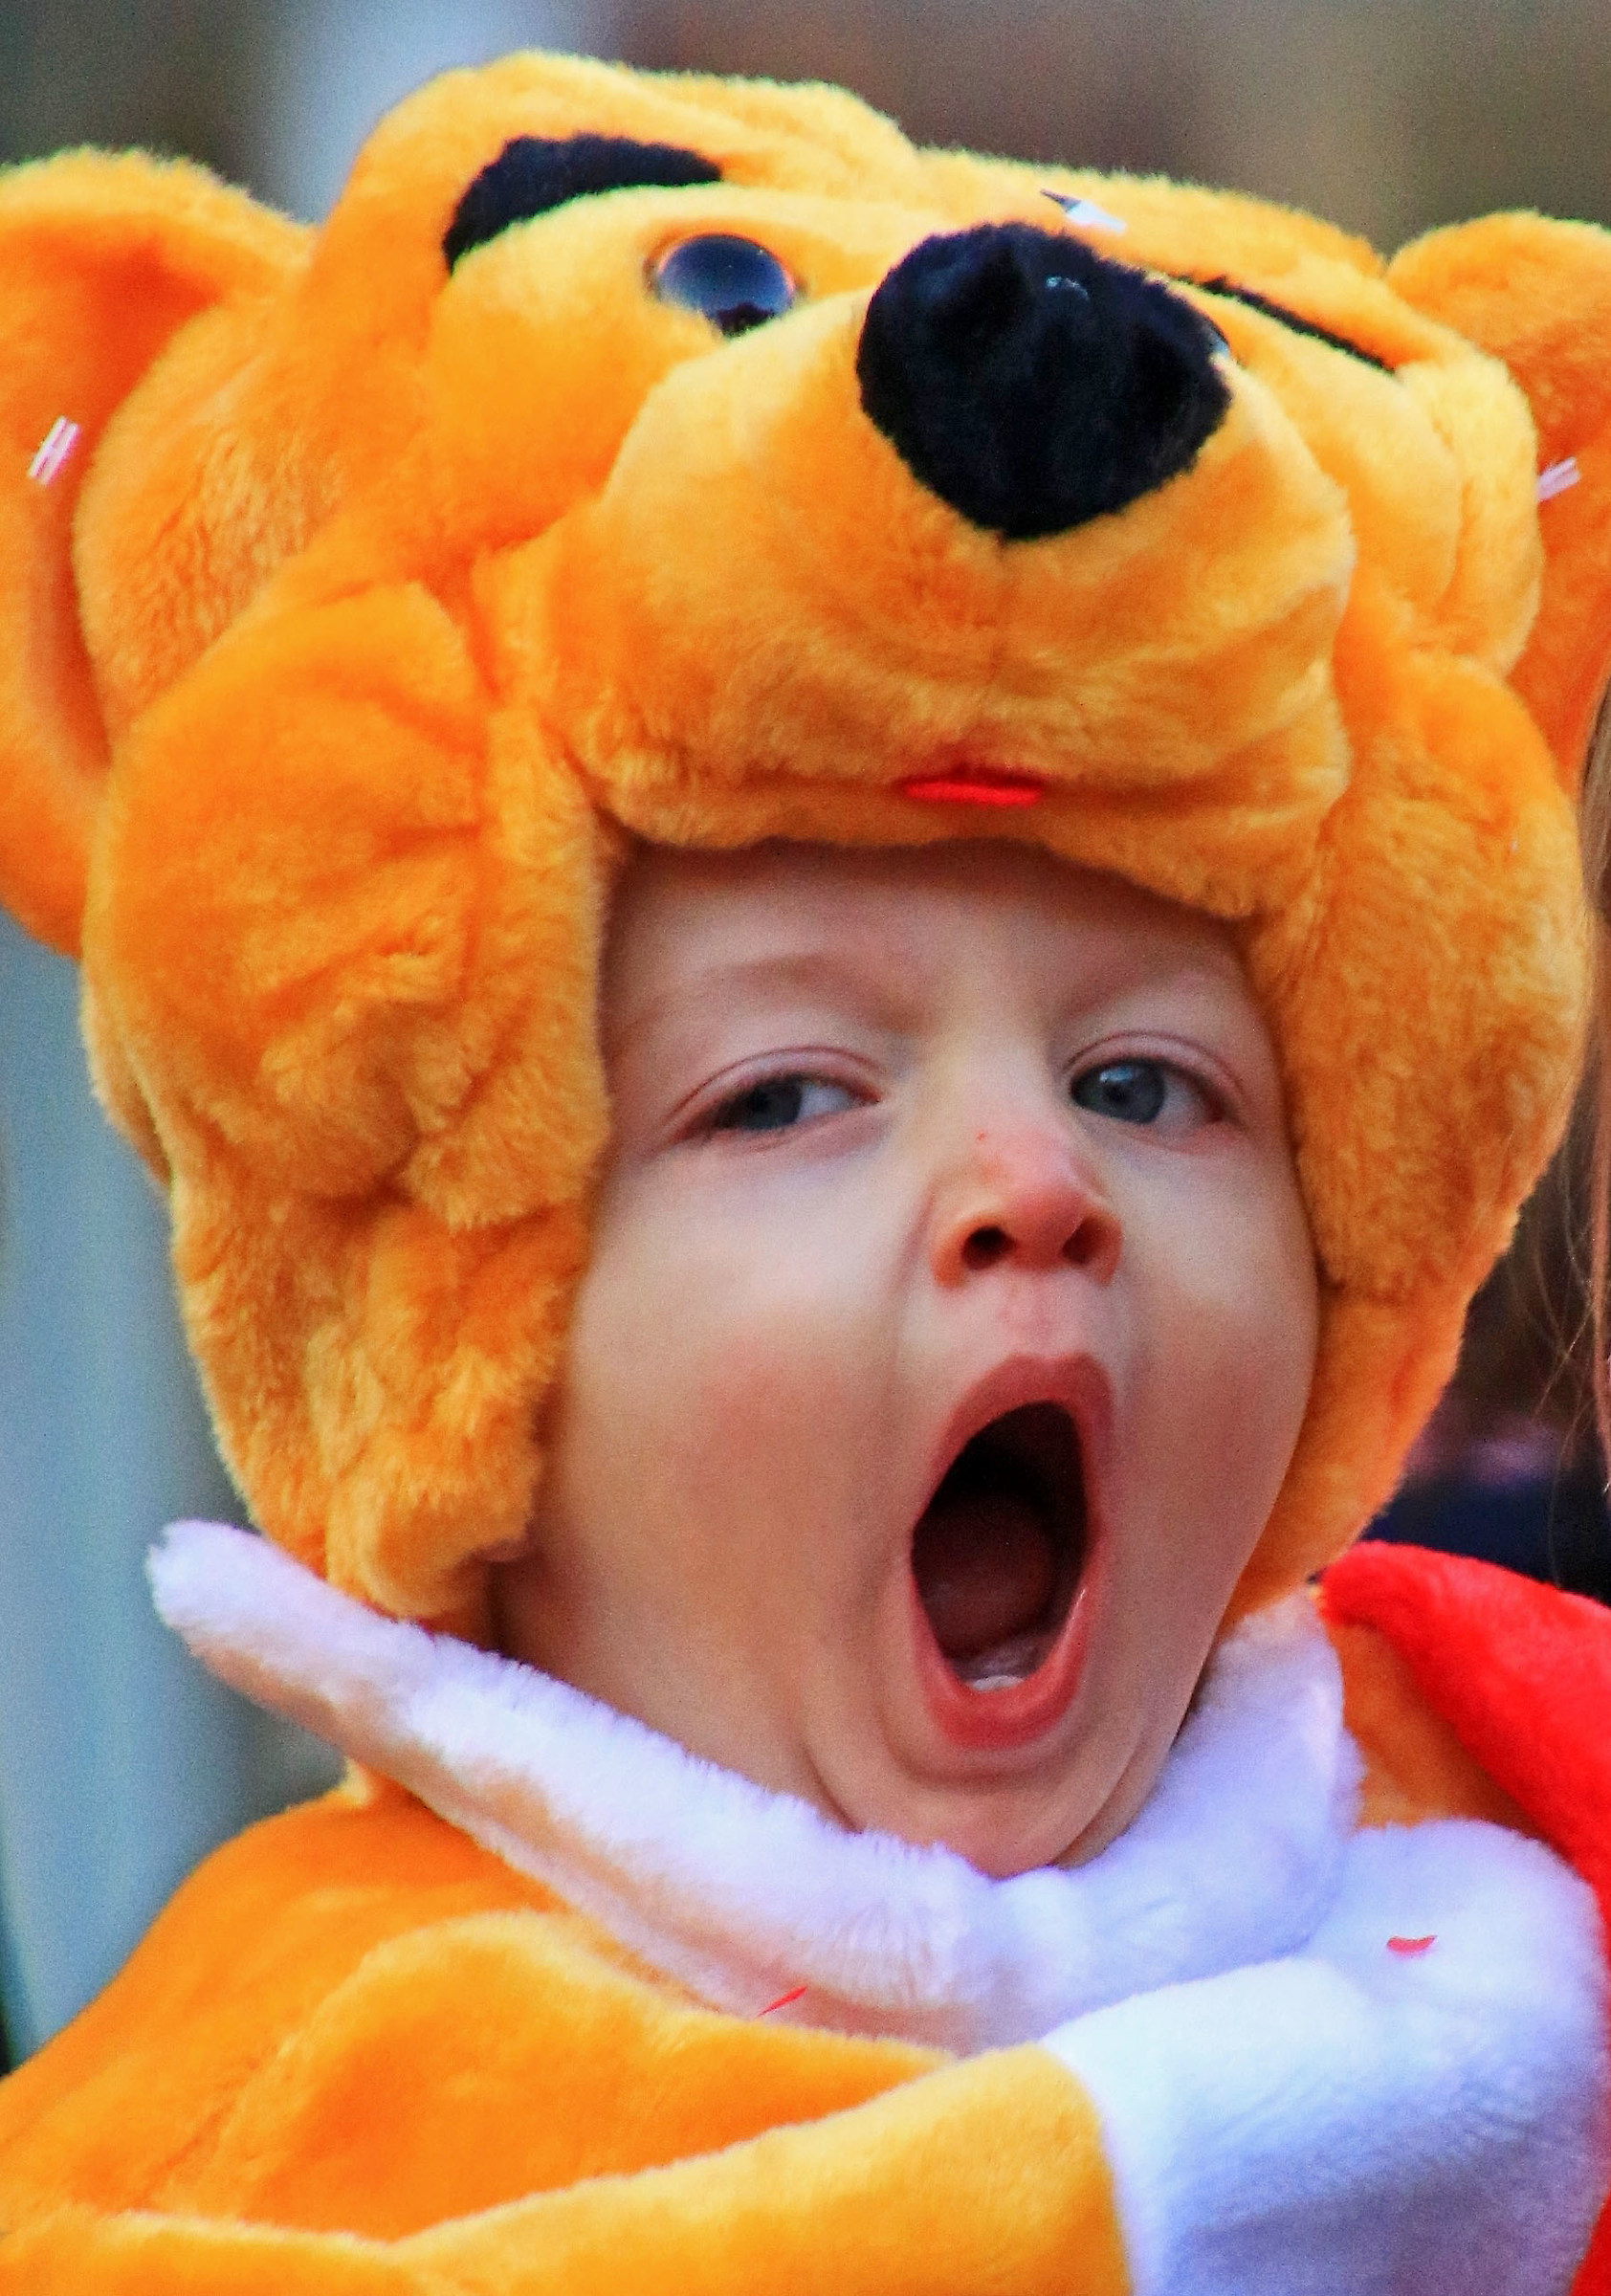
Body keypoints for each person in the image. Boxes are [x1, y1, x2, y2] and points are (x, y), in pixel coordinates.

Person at [0, 49, 1609, 2293]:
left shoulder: (1536, 1832)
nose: (1029, 1183)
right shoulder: (243, 2165)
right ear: (481, 1378)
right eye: (781, 1098)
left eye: (1149, 1086)